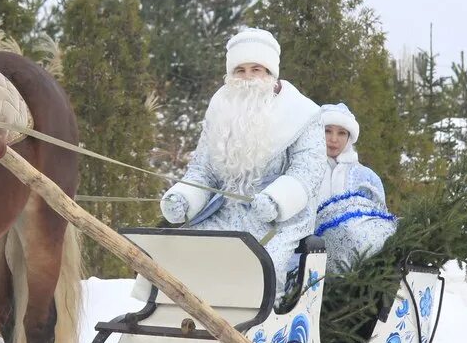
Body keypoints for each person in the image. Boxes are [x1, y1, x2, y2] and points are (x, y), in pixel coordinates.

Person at [158, 27, 327, 285]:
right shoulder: (221, 108)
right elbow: (203, 170)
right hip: (222, 211)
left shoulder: (303, 113)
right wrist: (183, 197)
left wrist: (276, 200)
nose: (247, 78)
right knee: (179, 256)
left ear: (270, 72)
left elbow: (308, 171)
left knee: (255, 268)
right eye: (240, 70)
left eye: (256, 69)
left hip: (279, 219)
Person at [314, 103, 396, 274]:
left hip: (360, 270)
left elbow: (377, 226)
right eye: (327, 130)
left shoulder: (366, 177)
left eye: (341, 133)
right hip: (309, 262)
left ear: (350, 137)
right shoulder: (304, 170)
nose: (334, 139)